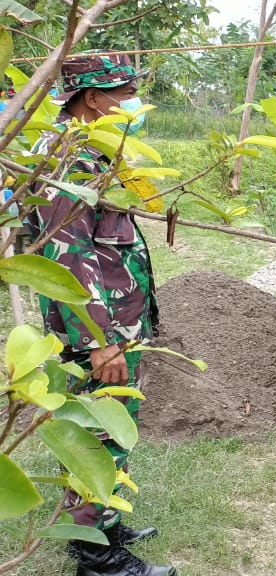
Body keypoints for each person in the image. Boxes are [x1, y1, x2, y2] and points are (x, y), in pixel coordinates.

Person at [29, 51, 172, 576]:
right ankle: (97, 558)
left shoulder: (93, 151)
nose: (133, 103)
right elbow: (70, 257)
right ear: (93, 98)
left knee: (102, 429)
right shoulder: (67, 160)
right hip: (101, 328)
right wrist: (99, 342)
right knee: (100, 436)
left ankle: (98, 524)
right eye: (125, 94)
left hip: (118, 320)